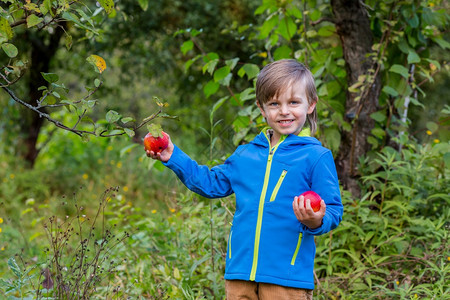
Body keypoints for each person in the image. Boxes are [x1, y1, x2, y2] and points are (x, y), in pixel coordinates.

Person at [146, 59, 343, 299]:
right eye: (274, 103)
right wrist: (173, 155)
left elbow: (333, 209)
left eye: (293, 102)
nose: (284, 111)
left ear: (310, 105)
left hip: (286, 278)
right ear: (262, 108)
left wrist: (316, 220)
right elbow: (209, 182)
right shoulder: (246, 154)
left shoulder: (316, 156)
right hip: (239, 275)